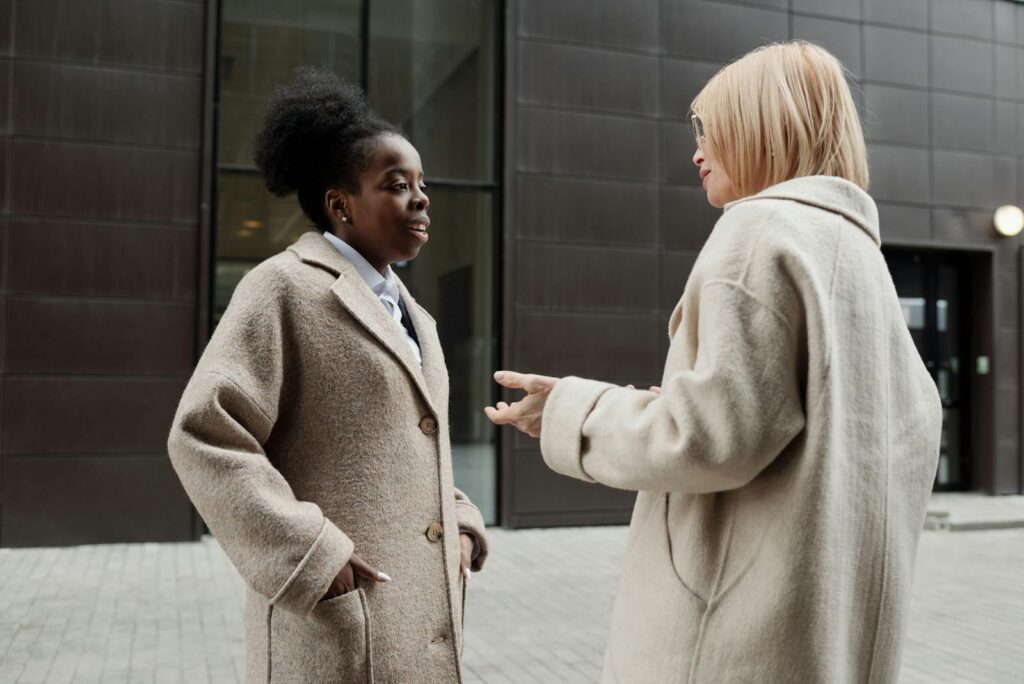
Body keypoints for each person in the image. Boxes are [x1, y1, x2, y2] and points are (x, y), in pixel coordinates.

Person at [486, 41, 941, 683]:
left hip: (728, 643)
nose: (696, 152)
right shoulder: (859, 258)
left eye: (709, 130)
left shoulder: (757, 233)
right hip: (824, 641)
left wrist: (572, 412)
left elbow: (710, 438)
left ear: (762, 127)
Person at [168, 66, 487, 683]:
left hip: (418, 616)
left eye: (422, 184)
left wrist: (464, 522)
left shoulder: (413, 316)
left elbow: (413, 444)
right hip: (336, 621)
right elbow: (204, 433)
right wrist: (307, 553)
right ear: (341, 204)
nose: (421, 199)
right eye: (397, 185)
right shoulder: (282, 288)